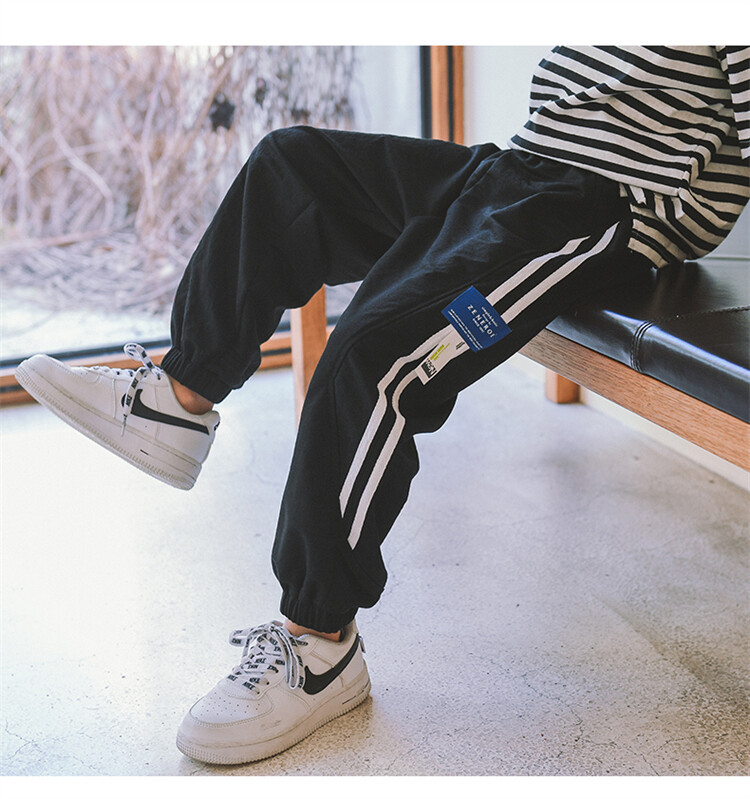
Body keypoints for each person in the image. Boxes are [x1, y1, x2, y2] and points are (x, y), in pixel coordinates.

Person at [15, 46, 749, 765]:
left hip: (601, 207)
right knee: (290, 167)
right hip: (514, 172)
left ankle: (319, 642)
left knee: (371, 357)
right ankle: (178, 399)